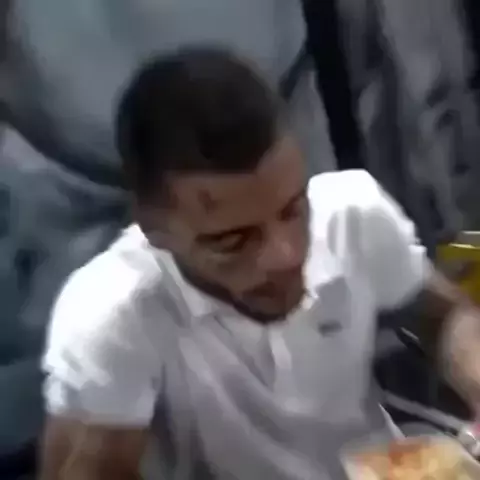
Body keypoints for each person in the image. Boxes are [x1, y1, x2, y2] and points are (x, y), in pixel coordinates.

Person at [38, 47, 480, 480]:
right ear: (154, 228)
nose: (286, 256)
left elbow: (442, 317)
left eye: (294, 209)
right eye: (233, 241)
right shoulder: (111, 314)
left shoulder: (353, 215)